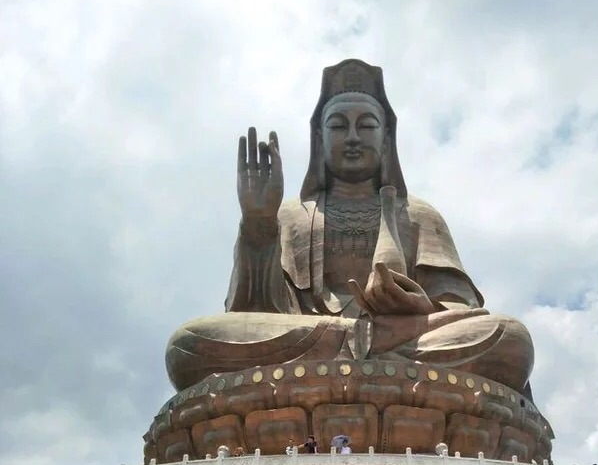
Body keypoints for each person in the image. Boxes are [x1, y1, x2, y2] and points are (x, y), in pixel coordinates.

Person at [165, 59, 537, 401]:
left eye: (367, 126)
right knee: (187, 344)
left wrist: (417, 307)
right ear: (320, 140)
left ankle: (361, 350)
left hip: (403, 338)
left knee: (509, 338)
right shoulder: (290, 216)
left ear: (386, 139)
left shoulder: (418, 214)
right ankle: (359, 350)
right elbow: (249, 309)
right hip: (309, 338)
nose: (354, 137)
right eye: (339, 126)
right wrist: (258, 222)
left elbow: (460, 309)